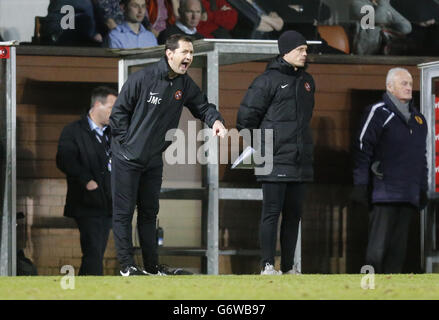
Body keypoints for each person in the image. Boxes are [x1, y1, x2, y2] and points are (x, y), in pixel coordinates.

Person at [109, 33, 228, 276]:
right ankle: (127, 267)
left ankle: (152, 268)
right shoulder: (142, 78)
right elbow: (118, 115)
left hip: (153, 161)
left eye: (192, 53)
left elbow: (203, 107)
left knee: (149, 213)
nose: (189, 57)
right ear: (169, 53)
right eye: (185, 52)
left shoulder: (184, 84)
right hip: (127, 159)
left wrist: (215, 121)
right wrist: (128, 146)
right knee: (123, 214)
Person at [236, 30, 315, 275]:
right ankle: (268, 266)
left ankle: (290, 267)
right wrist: (263, 147)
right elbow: (244, 120)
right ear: (285, 52)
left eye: (306, 50)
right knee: (271, 213)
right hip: (273, 159)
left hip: (300, 160)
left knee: (294, 216)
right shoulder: (266, 81)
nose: (305, 54)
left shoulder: (308, 81)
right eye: (300, 50)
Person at [351, 68, 428, 273]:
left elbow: (422, 157)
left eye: (411, 83)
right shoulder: (378, 112)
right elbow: (362, 147)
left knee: (398, 251)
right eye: (404, 83)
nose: (409, 87)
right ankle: (368, 288)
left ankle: (392, 292)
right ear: (389, 86)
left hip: (408, 194)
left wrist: (422, 188)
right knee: (376, 249)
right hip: (384, 192)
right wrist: (360, 183)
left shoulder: (419, 120)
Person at [56, 86, 118, 275]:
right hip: (86, 203)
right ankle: (94, 291)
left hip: (108, 204)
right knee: (93, 251)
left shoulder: (112, 133)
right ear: (97, 105)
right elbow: (64, 159)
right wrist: (86, 180)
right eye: (111, 108)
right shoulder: (73, 131)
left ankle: (84, 290)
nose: (114, 113)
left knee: (95, 252)